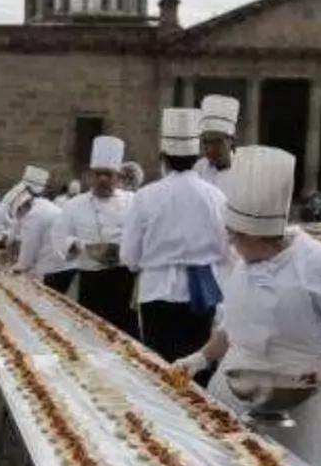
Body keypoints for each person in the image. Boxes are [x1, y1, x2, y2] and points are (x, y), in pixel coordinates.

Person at [172, 147, 321, 466]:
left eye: (237, 238)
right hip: (235, 389)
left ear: (260, 236)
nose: (232, 245)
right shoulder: (245, 262)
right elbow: (232, 326)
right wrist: (198, 359)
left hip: (297, 399)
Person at [123, 107, 228, 363]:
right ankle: (196, 403)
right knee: (196, 366)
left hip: (157, 291)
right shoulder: (216, 196)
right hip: (203, 292)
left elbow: (129, 256)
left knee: (161, 366)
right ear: (197, 156)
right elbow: (226, 250)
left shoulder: (146, 196)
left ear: (163, 158)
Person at [61, 135, 139, 336]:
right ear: (89, 176)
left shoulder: (134, 201)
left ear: (118, 177)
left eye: (108, 174)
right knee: (92, 335)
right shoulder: (73, 205)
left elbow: (144, 234)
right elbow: (59, 238)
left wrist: (122, 250)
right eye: (98, 174)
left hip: (124, 281)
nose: (103, 179)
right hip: (91, 281)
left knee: (126, 337)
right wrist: (83, 246)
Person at [195, 94, 241, 184]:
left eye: (217, 142)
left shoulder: (245, 171)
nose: (211, 149)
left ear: (232, 142)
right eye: (206, 142)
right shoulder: (197, 171)